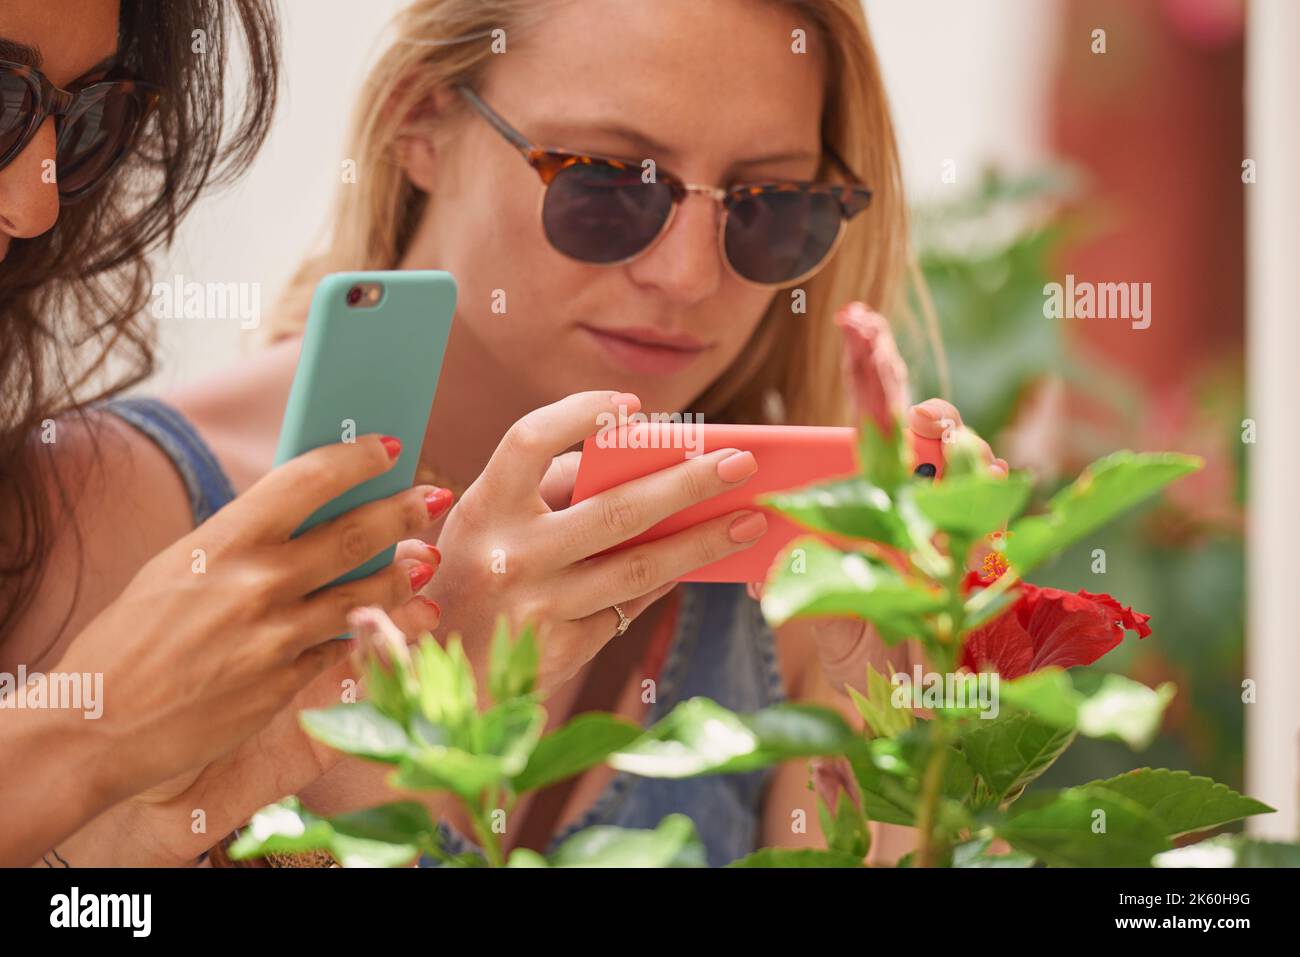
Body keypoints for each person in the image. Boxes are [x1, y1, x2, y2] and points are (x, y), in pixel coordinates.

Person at [0, 0, 451, 867]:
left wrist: (152, 827)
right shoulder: (103, 484)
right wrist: (85, 733)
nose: (37, 205)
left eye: (90, 121)